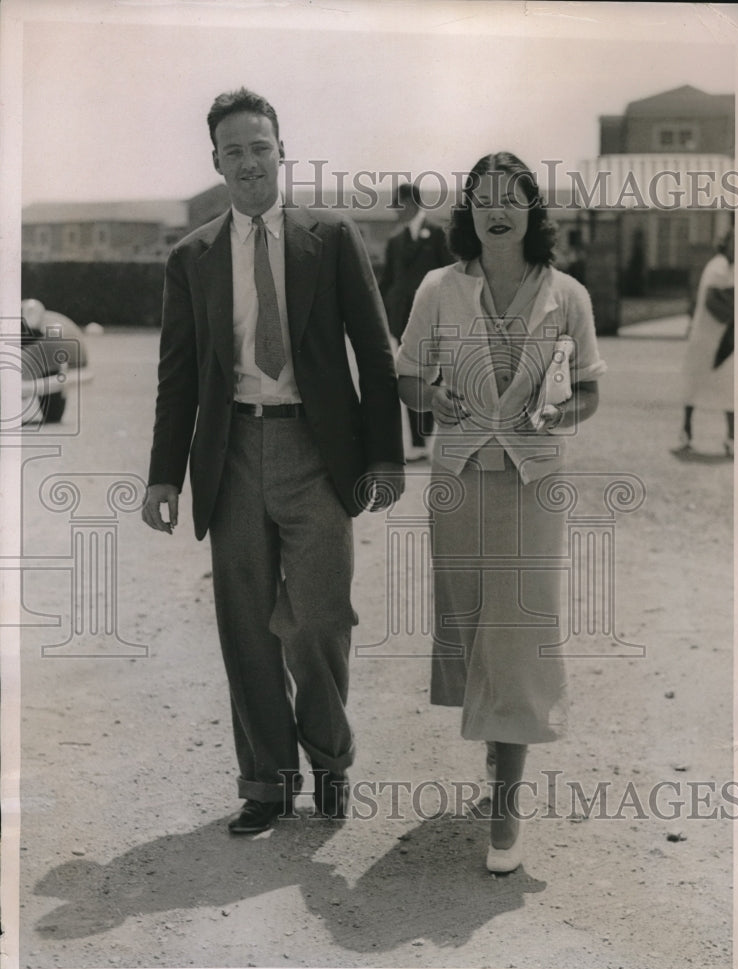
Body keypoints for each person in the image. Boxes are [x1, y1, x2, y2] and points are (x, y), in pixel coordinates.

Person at [142, 88, 404, 834]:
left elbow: (376, 357)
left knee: (320, 618)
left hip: (317, 452)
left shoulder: (334, 235)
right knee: (247, 626)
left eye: (261, 147)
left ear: (281, 151)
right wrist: (164, 474)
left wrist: (385, 458)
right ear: (216, 162)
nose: (249, 162)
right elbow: (179, 374)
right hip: (232, 456)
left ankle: (329, 762)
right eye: (234, 151)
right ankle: (264, 783)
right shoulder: (190, 257)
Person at [395, 152, 606, 872]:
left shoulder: (567, 295)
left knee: (516, 637)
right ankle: (496, 750)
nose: (496, 210)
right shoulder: (437, 288)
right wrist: (435, 399)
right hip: (458, 484)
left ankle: (507, 811)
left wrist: (558, 413)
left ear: (530, 211)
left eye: (510, 197)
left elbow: (588, 392)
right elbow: (407, 377)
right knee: (473, 625)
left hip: (531, 487)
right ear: (469, 213)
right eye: (481, 198)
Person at [378, 182, 453, 461]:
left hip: (434, 319)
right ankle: (420, 444)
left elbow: (450, 276)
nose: (395, 210)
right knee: (410, 376)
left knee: (438, 376)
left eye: (397, 204)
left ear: (410, 202)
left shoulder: (437, 235)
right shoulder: (395, 241)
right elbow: (386, 283)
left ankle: (438, 438)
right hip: (403, 320)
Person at [674, 227, 734, 457]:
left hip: (729, 338)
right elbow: (713, 301)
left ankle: (732, 439)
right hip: (706, 335)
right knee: (693, 384)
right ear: (725, 243)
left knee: (731, 386)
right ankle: (686, 432)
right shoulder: (716, 266)